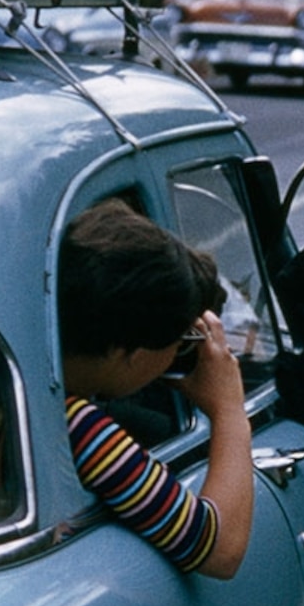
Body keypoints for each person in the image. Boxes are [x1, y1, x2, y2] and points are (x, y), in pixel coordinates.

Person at [57, 199, 253, 578]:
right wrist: (229, 409)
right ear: (130, 352)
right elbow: (219, 548)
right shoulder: (78, 428)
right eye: (179, 343)